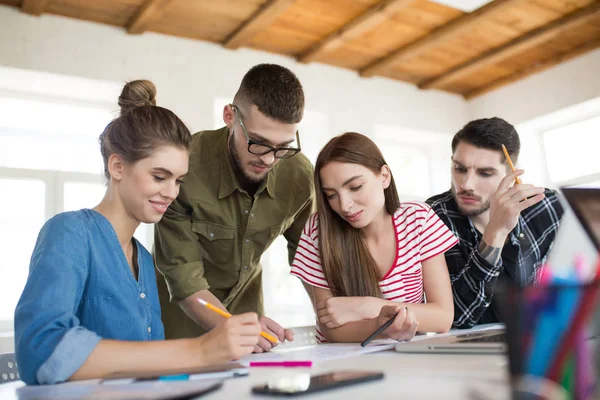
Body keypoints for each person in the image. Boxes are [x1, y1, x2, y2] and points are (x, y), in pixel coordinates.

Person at [14, 80, 261, 385]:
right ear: (117, 166)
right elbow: (40, 351)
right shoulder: (69, 233)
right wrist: (197, 351)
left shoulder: (144, 259)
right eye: (160, 176)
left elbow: (145, 365)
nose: (171, 193)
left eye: (179, 180)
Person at [154, 64, 314, 352]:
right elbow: (184, 279)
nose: (269, 159)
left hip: (248, 314)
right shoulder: (185, 167)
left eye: (282, 146)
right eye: (258, 143)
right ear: (230, 116)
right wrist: (233, 327)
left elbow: (312, 257)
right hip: (178, 321)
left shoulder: (299, 176)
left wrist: (331, 320)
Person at [290, 132, 457, 343]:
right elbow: (331, 329)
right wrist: (380, 326)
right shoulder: (318, 231)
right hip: (342, 366)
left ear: (384, 176)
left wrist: (367, 307)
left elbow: (442, 317)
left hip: (408, 363)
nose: (344, 205)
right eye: (331, 195)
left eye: (355, 187)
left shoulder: (418, 219)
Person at [426, 117, 564, 329]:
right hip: (469, 352)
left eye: (485, 173)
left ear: (511, 175)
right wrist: (495, 233)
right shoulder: (433, 216)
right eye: (459, 168)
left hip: (542, 337)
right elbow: (458, 317)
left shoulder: (547, 207)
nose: (466, 184)